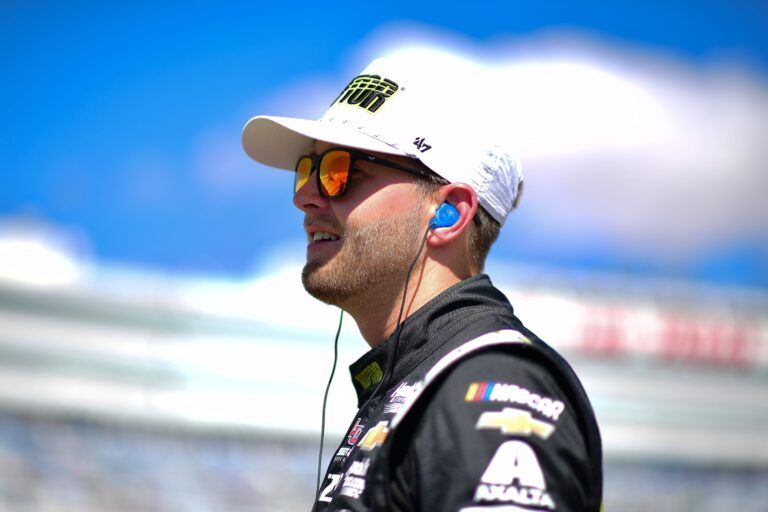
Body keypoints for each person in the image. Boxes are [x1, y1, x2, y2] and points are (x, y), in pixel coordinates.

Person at [242, 52, 603, 512]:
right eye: (308, 171)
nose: (305, 197)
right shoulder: (424, 379)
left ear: (448, 212)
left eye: (340, 171)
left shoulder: (488, 382)